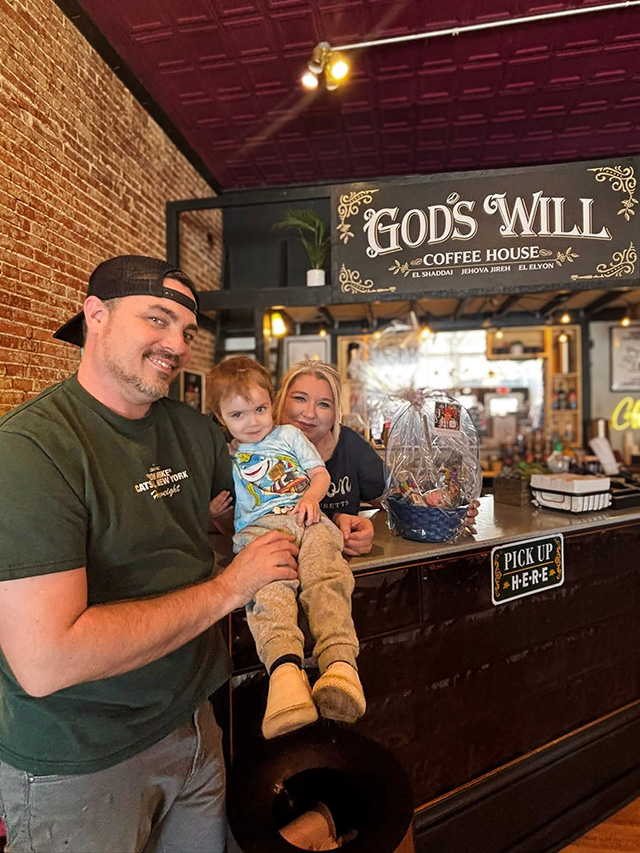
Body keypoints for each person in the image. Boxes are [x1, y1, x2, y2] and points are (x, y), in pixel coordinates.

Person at [0, 256, 299, 853]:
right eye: (157, 320)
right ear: (97, 317)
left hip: (194, 723)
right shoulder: (32, 451)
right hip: (79, 762)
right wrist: (228, 588)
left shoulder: (190, 430)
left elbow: (261, 491)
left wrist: (327, 517)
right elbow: (46, 660)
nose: (176, 344)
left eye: (187, 331)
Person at [208, 357, 366, 741]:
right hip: (259, 533)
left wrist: (312, 497)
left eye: (261, 409)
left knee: (326, 577)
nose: (254, 421)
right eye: (239, 414)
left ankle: (340, 664)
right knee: (269, 594)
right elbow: (235, 522)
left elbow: (319, 474)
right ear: (221, 418)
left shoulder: (289, 436)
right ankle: (283, 675)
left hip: (305, 519)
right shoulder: (225, 458)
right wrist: (215, 517)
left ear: (271, 402)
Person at [275, 360, 387, 557]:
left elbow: (391, 503)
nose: (309, 414)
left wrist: (364, 530)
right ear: (281, 400)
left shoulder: (350, 445)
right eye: (300, 398)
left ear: (336, 413)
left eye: (324, 404)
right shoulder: (254, 445)